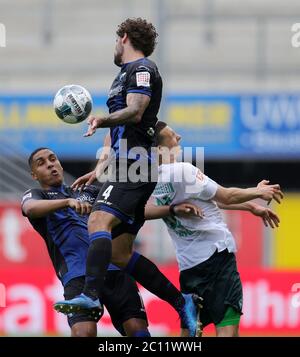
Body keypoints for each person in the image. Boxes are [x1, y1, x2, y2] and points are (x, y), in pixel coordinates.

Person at [55, 18, 200, 336]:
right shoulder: (122, 77)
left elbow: (136, 112)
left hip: (135, 166)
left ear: (123, 38)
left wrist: (101, 120)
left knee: (97, 222)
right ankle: (182, 303)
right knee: (120, 254)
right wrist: (99, 170)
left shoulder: (143, 69)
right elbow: (128, 128)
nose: (114, 46)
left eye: (115, 40)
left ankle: (90, 298)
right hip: (121, 167)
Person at [151, 121, 283, 337]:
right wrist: (257, 191)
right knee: (227, 329)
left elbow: (209, 199)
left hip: (188, 266)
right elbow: (225, 195)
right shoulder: (184, 171)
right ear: (160, 149)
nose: (180, 137)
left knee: (190, 335)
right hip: (217, 259)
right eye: (173, 135)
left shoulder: (150, 178)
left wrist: (249, 206)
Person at [21, 147, 151, 337]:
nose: (50, 164)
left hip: (114, 269)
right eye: (42, 163)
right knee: (84, 333)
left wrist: (171, 210)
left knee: (138, 331)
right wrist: (66, 202)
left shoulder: (89, 191)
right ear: (34, 175)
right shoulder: (36, 196)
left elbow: (129, 209)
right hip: (77, 275)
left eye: (52, 159)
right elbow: (30, 208)